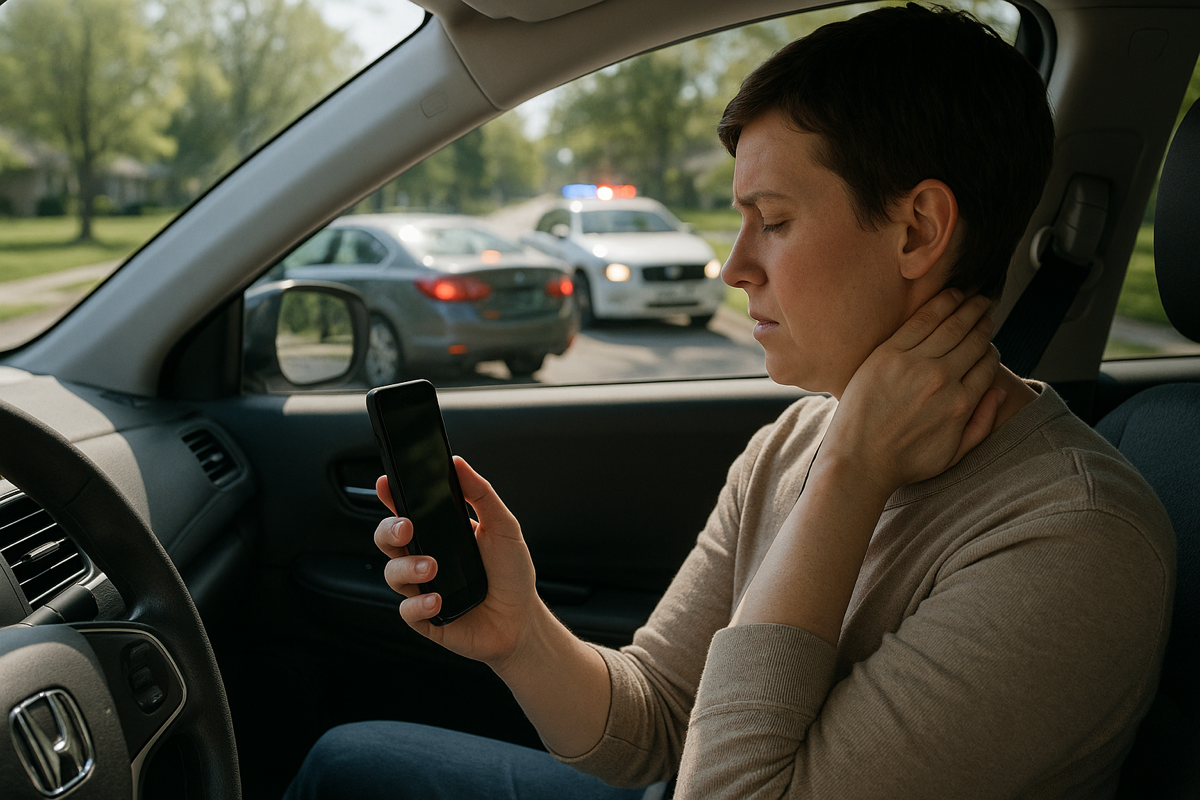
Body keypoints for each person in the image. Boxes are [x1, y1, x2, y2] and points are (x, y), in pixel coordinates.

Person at [285, 4, 1175, 798]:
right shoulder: (798, 438)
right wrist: (522, 636)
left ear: (917, 230)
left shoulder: (1074, 541)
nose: (734, 266)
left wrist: (852, 478)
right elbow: (662, 722)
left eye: (776, 220)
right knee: (345, 760)